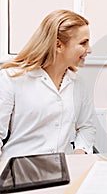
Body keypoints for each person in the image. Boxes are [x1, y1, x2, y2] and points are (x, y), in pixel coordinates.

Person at [0, 9, 97, 158]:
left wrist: (79, 155)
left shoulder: (78, 83)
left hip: (63, 168)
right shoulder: (12, 78)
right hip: (20, 169)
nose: (88, 49)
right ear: (58, 45)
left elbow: (86, 127)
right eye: (83, 43)